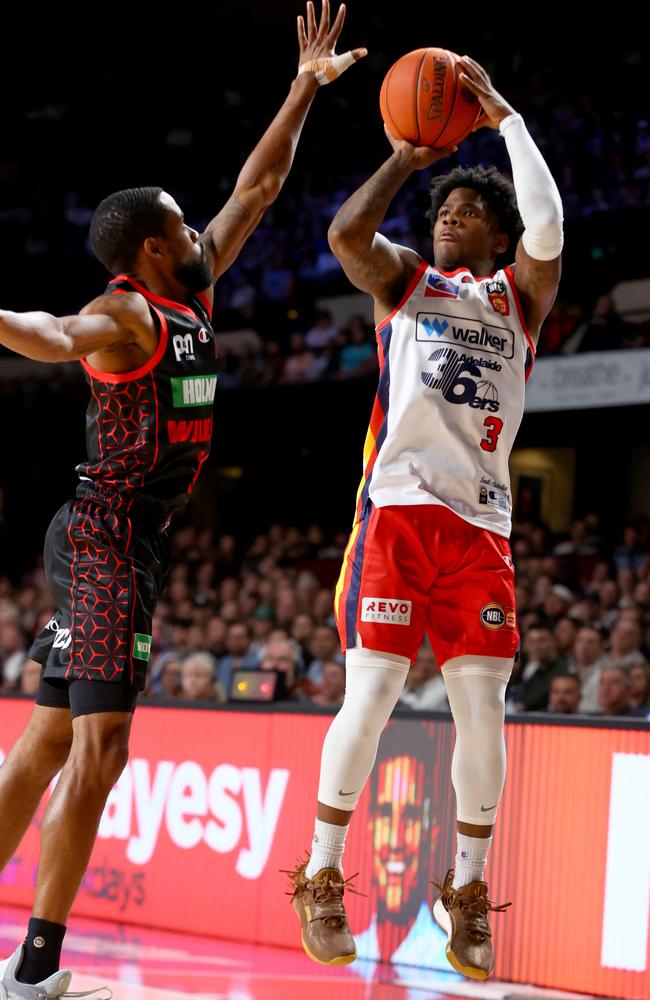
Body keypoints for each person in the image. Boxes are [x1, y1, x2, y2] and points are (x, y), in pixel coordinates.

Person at [0, 5, 365, 996]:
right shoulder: (122, 312)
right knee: (101, 745)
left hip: (113, 538)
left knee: (41, 742)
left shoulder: (189, 290)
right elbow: (52, 331)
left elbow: (258, 185)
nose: (199, 226)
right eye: (179, 224)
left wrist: (303, 85)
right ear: (152, 250)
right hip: (107, 538)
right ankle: (35, 965)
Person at [285, 55, 562, 980]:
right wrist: (407, 160)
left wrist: (508, 120)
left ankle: (470, 893)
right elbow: (344, 232)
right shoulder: (405, 284)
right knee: (370, 695)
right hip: (398, 518)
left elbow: (550, 226)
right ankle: (322, 874)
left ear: (493, 235)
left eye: (467, 212)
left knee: (485, 712)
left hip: (482, 529)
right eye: (442, 211)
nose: (449, 218)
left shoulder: (515, 299)